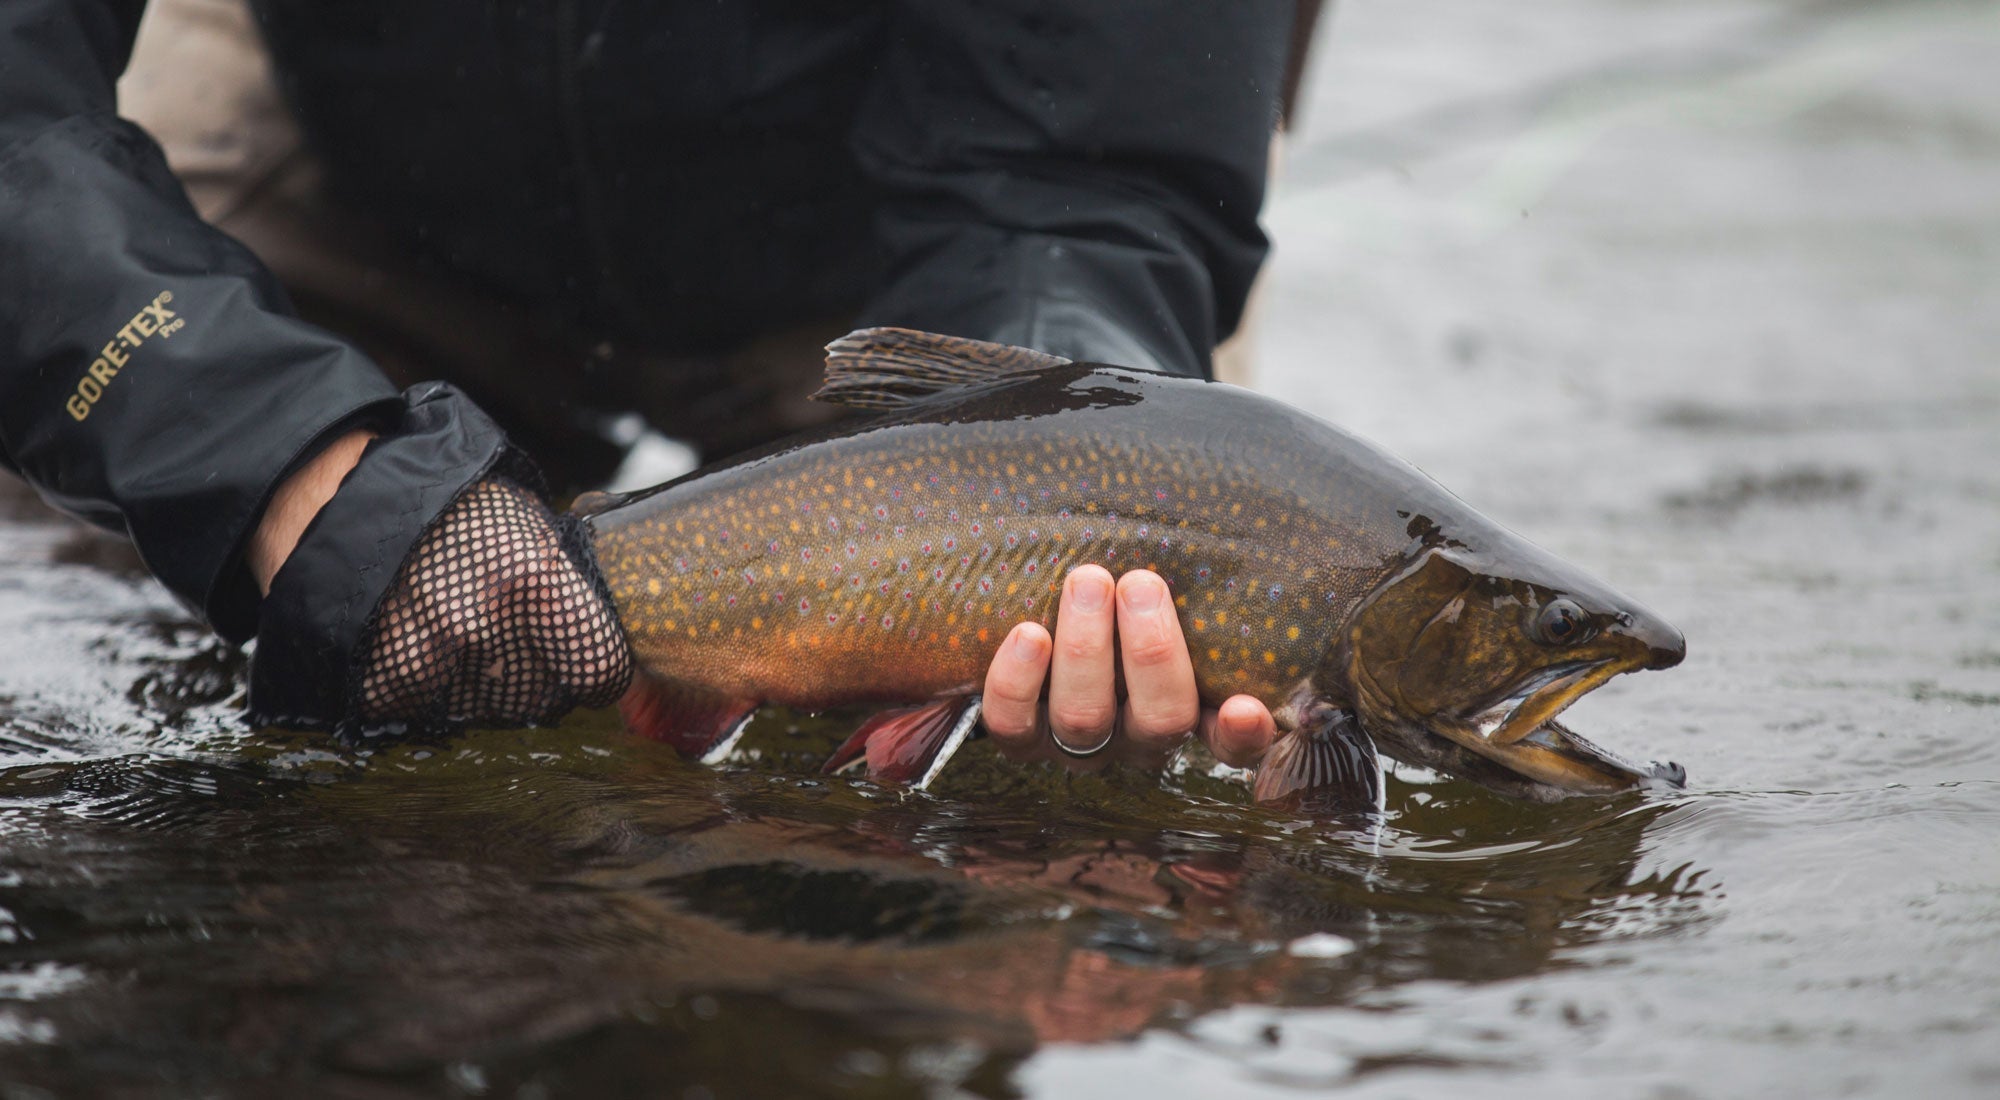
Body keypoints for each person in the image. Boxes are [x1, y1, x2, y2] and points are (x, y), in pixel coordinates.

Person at [0, 0, 1302, 772]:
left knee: (1030, 838)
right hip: (355, 119)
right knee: (118, 595)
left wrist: (1049, 483)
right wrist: (288, 460)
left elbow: (1085, 171)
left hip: (916, 211)